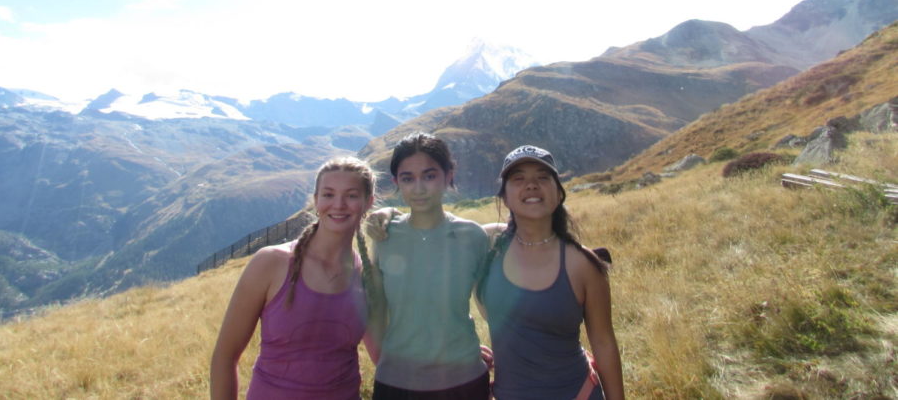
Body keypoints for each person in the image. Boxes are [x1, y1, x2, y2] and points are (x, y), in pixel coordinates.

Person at [210, 156, 380, 400]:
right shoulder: (270, 263)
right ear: (315, 200)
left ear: (368, 203)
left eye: (352, 196)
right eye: (328, 194)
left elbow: (383, 359)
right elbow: (225, 357)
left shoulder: (367, 277)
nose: (339, 204)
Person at [477, 145, 625, 400]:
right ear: (505, 197)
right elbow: (436, 230)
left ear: (559, 194)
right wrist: (386, 214)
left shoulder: (584, 265)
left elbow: (604, 344)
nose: (531, 185)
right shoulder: (489, 248)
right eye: (518, 178)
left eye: (543, 177)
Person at [370, 132, 491, 400]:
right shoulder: (384, 236)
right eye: (407, 178)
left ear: (448, 176)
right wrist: (388, 365)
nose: (419, 188)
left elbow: (489, 306)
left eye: (429, 175)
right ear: (396, 183)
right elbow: (377, 310)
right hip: (396, 384)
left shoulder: (473, 236)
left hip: (465, 381)